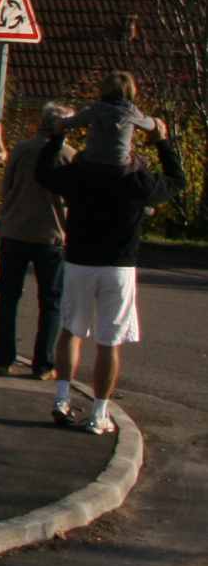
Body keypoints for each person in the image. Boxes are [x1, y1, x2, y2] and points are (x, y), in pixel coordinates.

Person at [38, 105, 186, 435]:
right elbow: (178, 180)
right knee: (109, 341)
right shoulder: (136, 177)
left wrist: (57, 136)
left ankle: (61, 397)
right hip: (118, 265)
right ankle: (98, 413)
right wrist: (162, 142)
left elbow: (44, 174)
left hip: (79, 259)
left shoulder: (81, 172)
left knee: (70, 330)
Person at [0, 103, 72, 378]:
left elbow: (7, 186)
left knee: (9, 298)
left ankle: (3, 358)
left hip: (15, 229)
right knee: (51, 301)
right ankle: (43, 363)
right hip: (51, 234)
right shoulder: (68, 156)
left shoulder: (22, 150)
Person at [77, 71, 159, 170]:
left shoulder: (95, 108)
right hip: (118, 163)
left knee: (78, 157)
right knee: (142, 161)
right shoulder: (130, 111)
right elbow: (150, 125)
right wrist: (155, 121)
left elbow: (74, 121)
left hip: (92, 159)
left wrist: (61, 123)